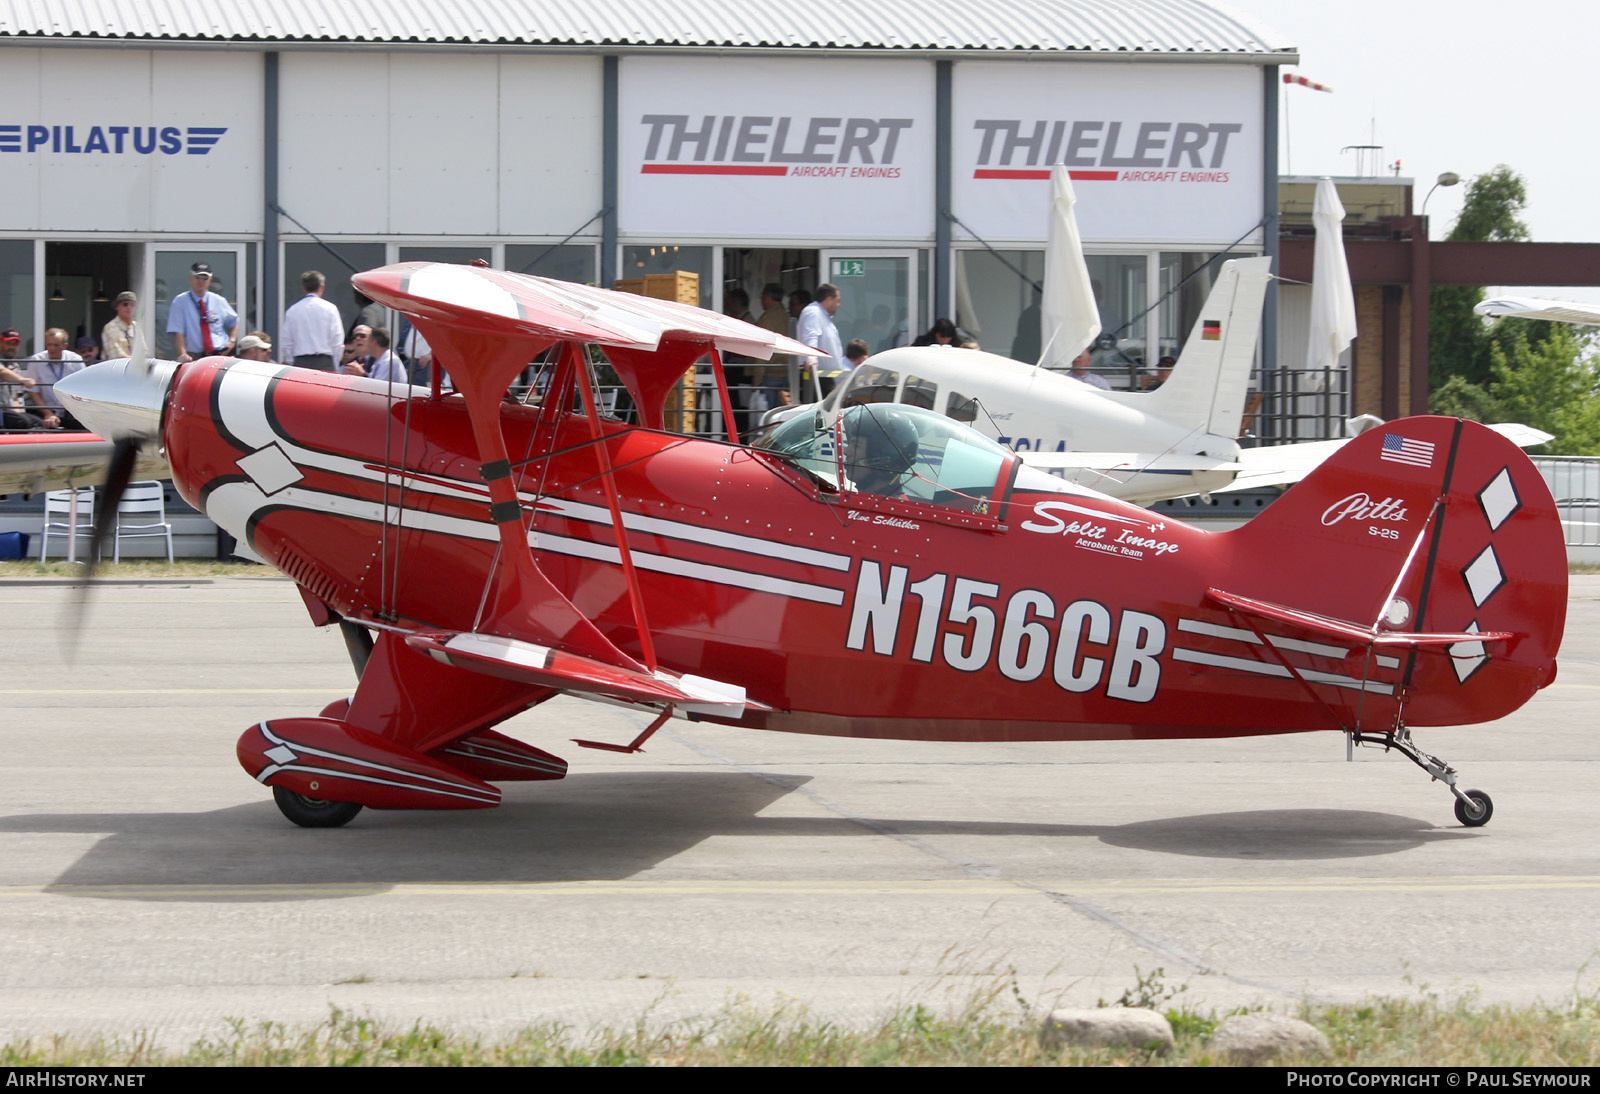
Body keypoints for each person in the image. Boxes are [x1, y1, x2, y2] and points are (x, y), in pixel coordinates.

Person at [167, 262, 237, 363]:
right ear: (191, 278)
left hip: (220, 354)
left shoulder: (218, 300)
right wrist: (183, 355)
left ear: (210, 280)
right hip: (195, 357)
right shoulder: (180, 301)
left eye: (205, 278)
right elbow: (178, 333)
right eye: (197, 277)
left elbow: (234, 321)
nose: (201, 281)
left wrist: (232, 341)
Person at [846, 405, 920, 498]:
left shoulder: (891, 508)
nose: (847, 451)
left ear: (884, 457)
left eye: (856, 445)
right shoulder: (868, 501)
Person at [280, 270, 345, 372]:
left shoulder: (292, 310)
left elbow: (287, 343)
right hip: (325, 361)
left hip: (300, 362)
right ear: (322, 287)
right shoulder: (330, 308)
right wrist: (334, 364)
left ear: (304, 288)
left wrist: (292, 363)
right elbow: (337, 339)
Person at [21, 328, 85, 428]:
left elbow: (81, 390)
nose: (52, 349)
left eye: (56, 345)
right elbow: (34, 393)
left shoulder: (76, 360)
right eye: (49, 345)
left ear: (65, 346)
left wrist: (73, 410)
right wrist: (48, 414)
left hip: (69, 411)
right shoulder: (36, 360)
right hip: (44, 412)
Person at [796, 283, 844, 398]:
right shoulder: (813, 312)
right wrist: (811, 359)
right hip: (817, 377)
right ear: (829, 300)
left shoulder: (823, 316)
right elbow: (810, 335)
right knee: (818, 413)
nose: (838, 305)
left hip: (825, 377)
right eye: (837, 301)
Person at [101, 291, 140, 359]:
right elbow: (116, 356)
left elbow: (145, 352)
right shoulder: (110, 328)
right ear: (117, 307)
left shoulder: (137, 327)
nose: (129, 307)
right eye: (125, 304)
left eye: (132, 305)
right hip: (116, 368)